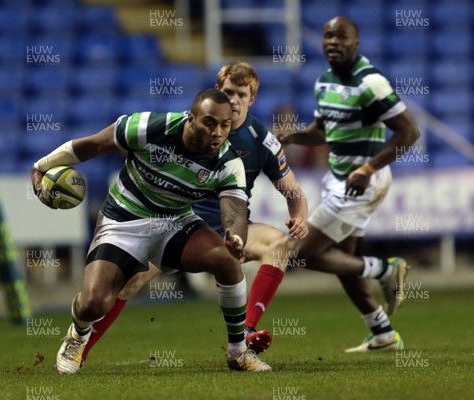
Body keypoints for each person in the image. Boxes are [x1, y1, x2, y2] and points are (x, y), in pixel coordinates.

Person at [79, 61, 310, 364]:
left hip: (231, 228)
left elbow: (293, 190)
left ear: (252, 99)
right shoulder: (194, 126)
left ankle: (246, 334)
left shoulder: (262, 141)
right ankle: (80, 349)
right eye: (229, 92)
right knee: (128, 282)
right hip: (176, 225)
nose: (235, 100)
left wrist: (300, 216)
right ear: (217, 92)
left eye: (242, 94)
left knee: (278, 244)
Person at [31, 88, 271, 373]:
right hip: (124, 219)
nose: (217, 132)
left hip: (174, 222)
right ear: (190, 119)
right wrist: (41, 166)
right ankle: (77, 335)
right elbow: (92, 145)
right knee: (94, 304)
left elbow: (234, 213)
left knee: (227, 260)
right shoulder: (149, 127)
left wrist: (235, 237)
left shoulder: (229, 163)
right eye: (209, 122)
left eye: (225, 125)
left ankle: (238, 352)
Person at [274, 16, 420, 352]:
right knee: (342, 259)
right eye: (328, 36)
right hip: (338, 179)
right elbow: (322, 132)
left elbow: (409, 132)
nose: (333, 42)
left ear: (356, 43)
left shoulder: (371, 83)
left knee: (301, 254)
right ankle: (382, 332)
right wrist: (293, 136)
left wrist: (368, 168)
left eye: (341, 36)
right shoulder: (324, 82)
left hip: (360, 184)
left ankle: (386, 269)